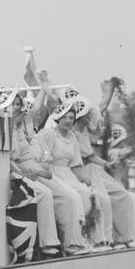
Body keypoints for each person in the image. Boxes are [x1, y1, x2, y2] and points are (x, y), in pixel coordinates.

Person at [13, 95, 90, 254]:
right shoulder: (45, 133)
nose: (68, 120)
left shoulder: (22, 128)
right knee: (64, 196)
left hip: (43, 168)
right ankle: (65, 243)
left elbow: (72, 162)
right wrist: (40, 166)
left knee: (78, 195)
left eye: (71, 117)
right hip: (34, 169)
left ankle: (78, 239)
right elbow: (31, 154)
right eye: (65, 117)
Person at [71, 92, 135, 245]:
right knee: (102, 201)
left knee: (120, 197)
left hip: (95, 170)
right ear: (81, 117)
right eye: (87, 115)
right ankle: (102, 240)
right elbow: (89, 156)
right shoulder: (73, 134)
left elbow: (92, 153)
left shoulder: (86, 132)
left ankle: (121, 237)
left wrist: (106, 164)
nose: (90, 118)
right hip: (81, 172)